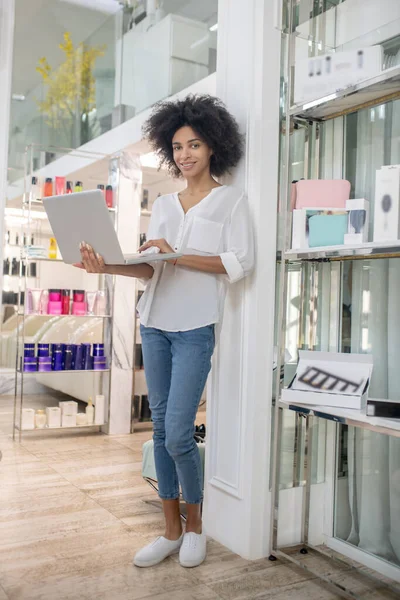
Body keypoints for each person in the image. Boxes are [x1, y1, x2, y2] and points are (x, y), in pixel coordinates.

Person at [76, 94, 254, 568]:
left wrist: (175, 254)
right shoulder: (165, 205)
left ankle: (196, 527)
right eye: (177, 147)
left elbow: (239, 263)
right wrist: (110, 267)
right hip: (153, 323)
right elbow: (152, 271)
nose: (185, 154)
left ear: (213, 146)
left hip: (196, 327)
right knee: (159, 431)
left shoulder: (230, 199)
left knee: (178, 432)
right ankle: (170, 530)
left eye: (194, 144)